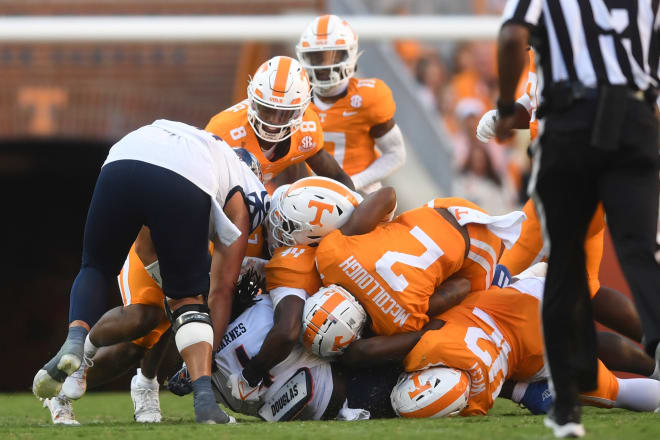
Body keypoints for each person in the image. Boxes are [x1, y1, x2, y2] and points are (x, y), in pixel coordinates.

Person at [33, 119, 269, 424]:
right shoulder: (237, 193)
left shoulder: (203, 157)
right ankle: (82, 360)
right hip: (150, 245)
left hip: (123, 158)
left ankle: (139, 379)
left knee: (100, 271)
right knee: (148, 317)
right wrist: (176, 298)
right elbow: (149, 246)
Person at [496, 1, 660, 436]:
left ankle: (569, 405)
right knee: (633, 258)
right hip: (633, 123)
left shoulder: (544, 30)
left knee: (564, 277)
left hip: (573, 137)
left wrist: (504, 106)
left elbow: (515, 39)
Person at [340, 273, 660, 418]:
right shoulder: (432, 346)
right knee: (587, 291)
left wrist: (527, 393)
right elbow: (421, 331)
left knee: (618, 392)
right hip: (512, 299)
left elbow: (501, 387)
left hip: (533, 355)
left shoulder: (477, 398)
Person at [167, 269, 401, 421]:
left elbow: (180, 383)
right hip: (349, 386)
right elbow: (288, 333)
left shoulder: (207, 368)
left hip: (318, 410)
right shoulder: (265, 305)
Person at [205, 55, 354, 191]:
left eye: (284, 114)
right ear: (252, 102)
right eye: (267, 110)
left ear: (301, 110)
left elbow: (339, 179)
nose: (273, 122)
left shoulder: (307, 127)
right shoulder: (223, 131)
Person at [296, 14, 406, 194]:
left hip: (361, 191)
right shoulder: (296, 99)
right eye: (317, 57)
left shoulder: (369, 97)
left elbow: (396, 154)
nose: (324, 66)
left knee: (381, 201)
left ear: (349, 54)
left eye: (331, 57)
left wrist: (353, 183)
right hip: (307, 193)